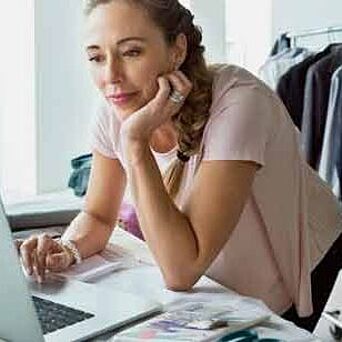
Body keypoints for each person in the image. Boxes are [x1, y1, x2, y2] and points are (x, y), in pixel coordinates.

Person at [17, 0, 341, 332]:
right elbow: (99, 216)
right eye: (96, 58)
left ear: (177, 50)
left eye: (131, 52)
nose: (110, 76)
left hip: (294, 256)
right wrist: (67, 248)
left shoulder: (240, 103)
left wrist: (135, 142)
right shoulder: (113, 109)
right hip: (212, 270)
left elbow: (181, 270)